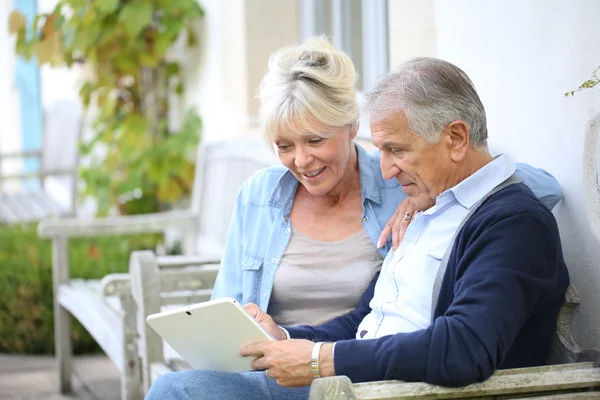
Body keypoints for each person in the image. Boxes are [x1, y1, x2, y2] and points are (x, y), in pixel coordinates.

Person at [145, 54, 569, 399]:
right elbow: (363, 319)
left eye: (396, 150)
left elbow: (465, 348)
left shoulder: (510, 221)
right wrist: (286, 336)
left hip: (395, 390)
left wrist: (320, 360)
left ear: (455, 138)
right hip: (351, 381)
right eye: (381, 150)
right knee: (178, 390)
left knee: (179, 392)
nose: (385, 171)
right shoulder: (429, 209)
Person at [210, 37, 562, 329]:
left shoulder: (401, 178)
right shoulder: (260, 196)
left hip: (359, 367)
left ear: (351, 127)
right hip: (288, 362)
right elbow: (228, 306)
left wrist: (438, 191)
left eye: (315, 141)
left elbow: (544, 188)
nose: (301, 161)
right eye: (285, 147)